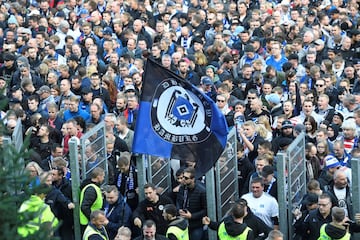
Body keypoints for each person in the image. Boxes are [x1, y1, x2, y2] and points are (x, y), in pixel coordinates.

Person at [176, 167, 207, 240]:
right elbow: (178, 201)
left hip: (196, 224)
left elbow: (206, 210)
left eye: (186, 178)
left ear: (192, 179)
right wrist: (179, 210)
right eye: (183, 177)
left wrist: (191, 216)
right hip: (183, 222)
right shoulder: (182, 188)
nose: (183, 179)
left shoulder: (201, 191)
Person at [80, 167, 105, 233]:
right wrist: (94, 219)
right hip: (89, 222)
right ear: (98, 177)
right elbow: (84, 207)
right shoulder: (91, 189)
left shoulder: (92, 187)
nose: (103, 179)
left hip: (91, 221)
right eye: (103, 176)